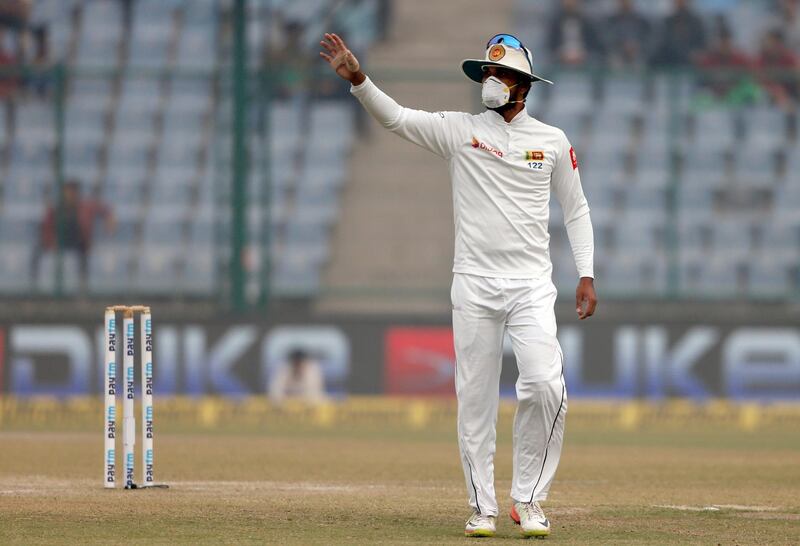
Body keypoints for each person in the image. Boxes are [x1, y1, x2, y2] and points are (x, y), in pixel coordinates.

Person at [319, 32, 597, 538]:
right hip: (473, 283)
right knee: (475, 399)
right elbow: (397, 118)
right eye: (487, 74)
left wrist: (586, 272)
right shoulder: (458, 130)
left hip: (532, 284)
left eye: (502, 74)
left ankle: (529, 499)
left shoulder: (552, 140)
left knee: (545, 384)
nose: (491, 82)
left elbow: (575, 209)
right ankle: (482, 506)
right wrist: (359, 80)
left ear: (524, 86)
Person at [32, 180, 115, 286]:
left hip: (78, 239)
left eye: (72, 192)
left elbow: (105, 210)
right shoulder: (56, 209)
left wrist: (110, 219)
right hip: (59, 239)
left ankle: (83, 285)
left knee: (83, 254)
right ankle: (34, 283)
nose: (69, 195)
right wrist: (51, 241)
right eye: (67, 192)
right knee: (37, 250)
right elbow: (46, 227)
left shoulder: (86, 206)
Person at [651, 0, 707, 67]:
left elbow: (702, 43)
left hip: (693, 66)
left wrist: (697, 54)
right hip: (671, 64)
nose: (681, 2)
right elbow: (664, 44)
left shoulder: (697, 22)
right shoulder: (667, 22)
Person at [546, 0, 603, 66]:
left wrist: (583, 54)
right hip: (560, 60)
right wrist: (561, 54)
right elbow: (551, 45)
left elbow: (595, 44)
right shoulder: (556, 22)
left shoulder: (588, 22)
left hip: (585, 60)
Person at [756, 28, 800, 108]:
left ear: (779, 43)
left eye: (770, 42)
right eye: (767, 42)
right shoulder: (761, 59)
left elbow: (796, 78)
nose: (767, 44)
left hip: (789, 92)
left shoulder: (789, 58)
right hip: (768, 93)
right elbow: (758, 79)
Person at [604, 0, 651, 68]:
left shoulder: (642, 22)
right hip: (617, 55)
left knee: (640, 63)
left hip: (638, 55)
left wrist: (636, 47)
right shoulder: (610, 21)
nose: (625, 2)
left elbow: (648, 40)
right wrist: (621, 46)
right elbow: (607, 39)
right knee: (614, 61)